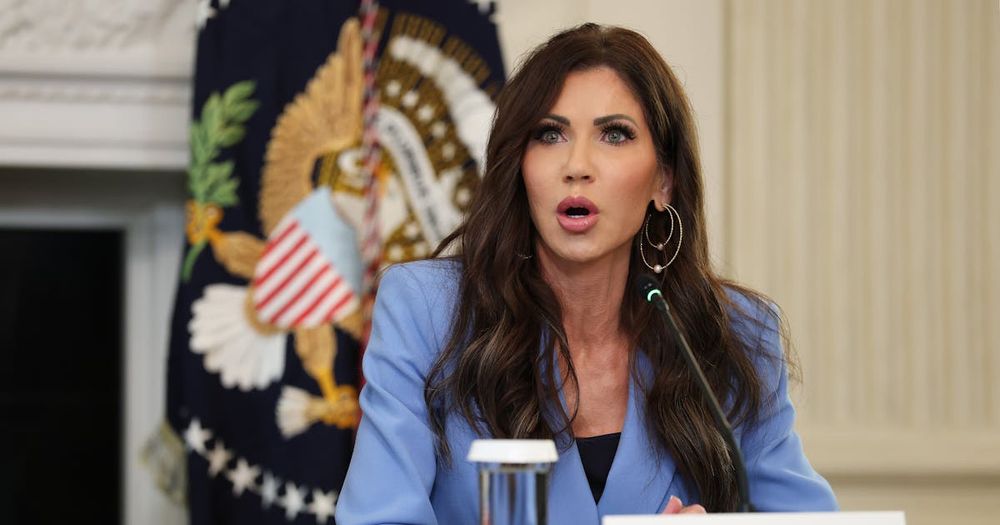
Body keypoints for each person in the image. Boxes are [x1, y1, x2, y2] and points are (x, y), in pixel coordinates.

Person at [336, 23, 837, 524]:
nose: (577, 165)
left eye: (614, 134)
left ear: (663, 181)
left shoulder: (736, 336)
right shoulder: (426, 312)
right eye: (550, 135)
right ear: (520, 166)